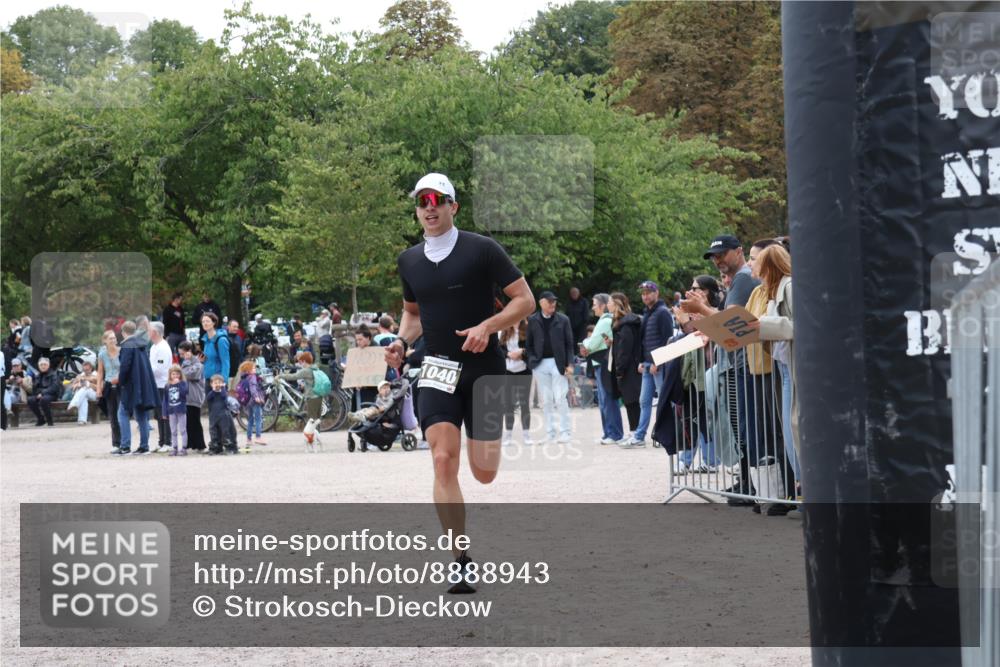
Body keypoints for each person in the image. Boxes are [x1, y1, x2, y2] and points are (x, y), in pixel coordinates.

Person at [387, 172, 534, 595]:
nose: (429, 207)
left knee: (484, 472)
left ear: (453, 205)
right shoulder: (409, 261)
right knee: (441, 459)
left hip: (484, 367)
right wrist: (400, 341)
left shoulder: (482, 249)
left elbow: (524, 300)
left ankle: (484, 447)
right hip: (437, 366)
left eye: (437, 200)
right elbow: (413, 314)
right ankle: (461, 560)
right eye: (422, 201)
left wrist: (488, 326)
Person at [702, 234, 762, 505]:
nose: (717, 261)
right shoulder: (740, 279)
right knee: (742, 425)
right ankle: (749, 480)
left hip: (745, 363)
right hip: (741, 361)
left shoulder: (743, 278)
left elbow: (731, 321)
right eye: (714, 257)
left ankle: (754, 485)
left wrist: (701, 309)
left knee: (748, 426)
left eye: (722, 254)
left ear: (739, 251)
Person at [752, 244, 800, 504]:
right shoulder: (776, 291)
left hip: (792, 365)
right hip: (783, 365)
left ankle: (804, 490)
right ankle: (802, 489)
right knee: (789, 429)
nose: (758, 274)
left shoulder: (789, 287)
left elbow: (801, 324)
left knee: (794, 428)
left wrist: (762, 325)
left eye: (761, 268)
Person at [624, 281, 674, 448]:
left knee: (665, 401)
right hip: (647, 365)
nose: (645, 296)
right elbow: (644, 340)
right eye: (643, 293)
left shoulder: (662, 313)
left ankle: (668, 434)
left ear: (656, 293)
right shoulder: (648, 313)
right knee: (644, 401)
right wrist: (641, 361)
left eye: (648, 292)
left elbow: (668, 340)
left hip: (658, 364)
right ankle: (639, 436)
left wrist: (657, 362)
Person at [526, 291, 575, 443]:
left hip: (558, 363)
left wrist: (570, 364)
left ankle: (565, 433)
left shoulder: (563, 319)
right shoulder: (532, 320)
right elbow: (529, 344)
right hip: (540, 364)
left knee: (560, 397)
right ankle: (550, 433)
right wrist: (532, 360)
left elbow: (569, 344)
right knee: (546, 400)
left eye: (554, 301)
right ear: (541, 303)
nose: (553, 304)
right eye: (549, 301)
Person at [580, 293, 623, 445]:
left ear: (602, 305)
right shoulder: (604, 321)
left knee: (608, 399)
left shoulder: (605, 322)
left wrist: (585, 342)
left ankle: (614, 434)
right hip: (600, 363)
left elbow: (591, 345)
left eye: (594, 304)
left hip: (604, 364)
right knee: (604, 400)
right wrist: (589, 342)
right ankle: (608, 433)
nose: (592, 307)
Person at [116, 321, 160, 455]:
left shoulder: (127, 345)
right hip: (143, 383)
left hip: (131, 385)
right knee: (141, 415)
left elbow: (125, 366)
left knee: (122, 413)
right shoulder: (141, 344)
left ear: (123, 332)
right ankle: (144, 446)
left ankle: (125, 446)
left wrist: (120, 381)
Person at [607, 293, 643, 440]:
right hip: (629, 366)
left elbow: (625, 349)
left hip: (629, 368)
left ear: (616, 304)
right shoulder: (623, 323)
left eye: (609, 302)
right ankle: (634, 431)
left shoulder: (625, 324)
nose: (607, 305)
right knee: (630, 401)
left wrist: (620, 369)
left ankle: (636, 433)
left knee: (631, 401)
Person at [499, 319, 533, 446]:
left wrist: (521, 352)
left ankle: (526, 435)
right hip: (508, 371)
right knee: (509, 404)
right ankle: (508, 436)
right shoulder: (504, 330)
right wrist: (508, 354)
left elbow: (533, 348)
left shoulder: (528, 329)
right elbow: (499, 348)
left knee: (524, 404)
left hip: (524, 370)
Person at [278, 351, 323, 439]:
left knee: (312, 419)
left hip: (312, 396)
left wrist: (280, 376)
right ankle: (317, 436)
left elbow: (293, 376)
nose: (300, 364)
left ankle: (312, 437)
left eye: (301, 362)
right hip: (319, 396)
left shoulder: (306, 370)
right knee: (317, 418)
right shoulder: (315, 368)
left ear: (305, 361)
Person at [149, 322, 173, 452]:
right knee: (158, 414)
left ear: (155, 332)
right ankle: (162, 441)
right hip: (155, 384)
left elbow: (160, 369)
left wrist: (146, 371)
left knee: (165, 414)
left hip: (163, 384)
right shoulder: (153, 347)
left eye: (149, 330)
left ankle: (168, 442)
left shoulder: (163, 347)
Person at [95, 331, 121, 451]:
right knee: (112, 416)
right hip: (109, 386)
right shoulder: (102, 355)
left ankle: (125, 443)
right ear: (104, 340)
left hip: (121, 386)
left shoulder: (121, 351)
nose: (113, 340)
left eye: (114, 338)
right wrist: (98, 388)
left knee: (122, 415)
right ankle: (116, 444)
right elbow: (100, 372)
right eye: (110, 338)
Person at [178, 341, 206, 451]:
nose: (181, 356)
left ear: (189, 352)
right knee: (188, 421)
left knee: (195, 421)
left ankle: (200, 444)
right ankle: (191, 444)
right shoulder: (189, 362)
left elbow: (188, 374)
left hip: (194, 396)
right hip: (187, 396)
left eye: (182, 353)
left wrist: (187, 362)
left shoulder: (197, 363)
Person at [236, 360, 267, 449]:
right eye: (253, 368)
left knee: (250, 420)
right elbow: (253, 388)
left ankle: (249, 439)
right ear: (248, 370)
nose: (255, 369)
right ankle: (258, 437)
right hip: (254, 401)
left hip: (248, 402)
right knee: (258, 419)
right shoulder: (252, 377)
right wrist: (256, 397)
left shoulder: (244, 378)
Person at [205, 374, 238, 455]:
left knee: (225, 432)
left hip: (223, 415)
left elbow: (224, 396)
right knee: (214, 432)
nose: (217, 384)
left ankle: (230, 448)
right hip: (213, 416)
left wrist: (222, 388)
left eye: (219, 382)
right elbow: (208, 398)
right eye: (215, 383)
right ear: (211, 384)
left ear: (223, 383)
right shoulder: (211, 393)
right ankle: (215, 448)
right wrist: (213, 390)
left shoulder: (223, 392)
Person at [26, 357, 61, 427]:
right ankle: (41, 419)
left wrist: (42, 393)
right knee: (30, 400)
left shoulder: (54, 374)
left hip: (52, 395)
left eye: (45, 364)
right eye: (41, 365)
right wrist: (38, 393)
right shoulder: (38, 375)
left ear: (48, 365)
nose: (43, 366)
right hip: (40, 394)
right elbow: (34, 388)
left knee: (44, 399)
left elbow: (54, 388)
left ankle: (49, 421)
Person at [200, 313, 230, 393]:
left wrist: (224, 382)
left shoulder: (221, 340)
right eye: (203, 322)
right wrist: (202, 361)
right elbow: (211, 359)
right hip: (208, 380)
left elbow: (226, 362)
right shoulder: (206, 339)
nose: (205, 323)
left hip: (218, 381)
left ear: (214, 323)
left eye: (207, 321)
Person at [162, 365, 188, 456]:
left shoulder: (183, 383)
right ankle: (175, 448)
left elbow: (184, 393)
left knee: (183, 430)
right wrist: (164, 412)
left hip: (181, 410)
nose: (175, 376)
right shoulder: (167, 385)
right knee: (173, 431)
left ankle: (184, 448)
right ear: (170, 375)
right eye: (173, 374)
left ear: (180, 374)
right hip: (171, 411)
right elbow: (165, 400)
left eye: (177, 374)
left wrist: (178, 384)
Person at [161, 292, 187, 356]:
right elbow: (165, 322)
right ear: (176, 299)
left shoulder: (181, 309)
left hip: (181, 334)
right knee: (170, 352)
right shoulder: (168, 309)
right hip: (172, 334)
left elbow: (183, 322)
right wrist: (166, 335)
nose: (181, 301)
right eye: (180, 299)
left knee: (183, 352)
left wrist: (184, 333)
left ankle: (182, 362)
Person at [227, 320, 244, 390]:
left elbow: (241, 352)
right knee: (228, 390)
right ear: (228, 327)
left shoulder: (239, 338)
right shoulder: (224, 338)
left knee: (236, 390)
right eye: (234, 327)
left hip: (238, 369)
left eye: (237, 327)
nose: (236, 328)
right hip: (228, 370)